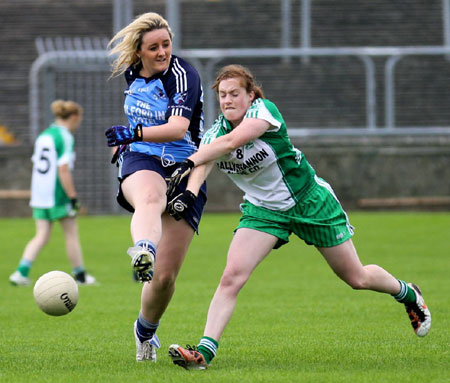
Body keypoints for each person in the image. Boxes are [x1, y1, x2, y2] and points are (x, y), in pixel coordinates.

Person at [165, 64, 432, 370]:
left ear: (250, 95)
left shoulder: (263, 113)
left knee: (356, 277)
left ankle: (407, 293)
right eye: (222, 95)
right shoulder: (215, 131)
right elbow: (205, 162)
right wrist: (189, 192)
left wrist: (188, 160)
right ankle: (203, 353)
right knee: (231, 277)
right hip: (264, 211)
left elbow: (230, 144)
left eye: (235, 94)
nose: (227, 100)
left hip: (310, 202)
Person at [104, 12, 207, 362]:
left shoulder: (183, 75)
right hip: (142, 158)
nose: (162, 51)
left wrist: (132, 133)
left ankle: (144, 331)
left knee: (163, 278)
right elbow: (142, 124)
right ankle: (143, 248)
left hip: (185, 167)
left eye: (166, 44)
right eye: (153, 47)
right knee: (150, 196)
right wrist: (131, 142)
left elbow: (179, 129)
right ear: (139, 51)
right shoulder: (133, 75)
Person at [9, 100, 96, 286]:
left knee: (41, 235)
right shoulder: (64, 137)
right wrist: (72, 197)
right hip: (57, 193)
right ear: (74, 117)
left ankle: (21, 272)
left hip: (40, 193)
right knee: (71, 233)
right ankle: (80, 275)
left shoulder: (44, 135)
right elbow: (63, 168)